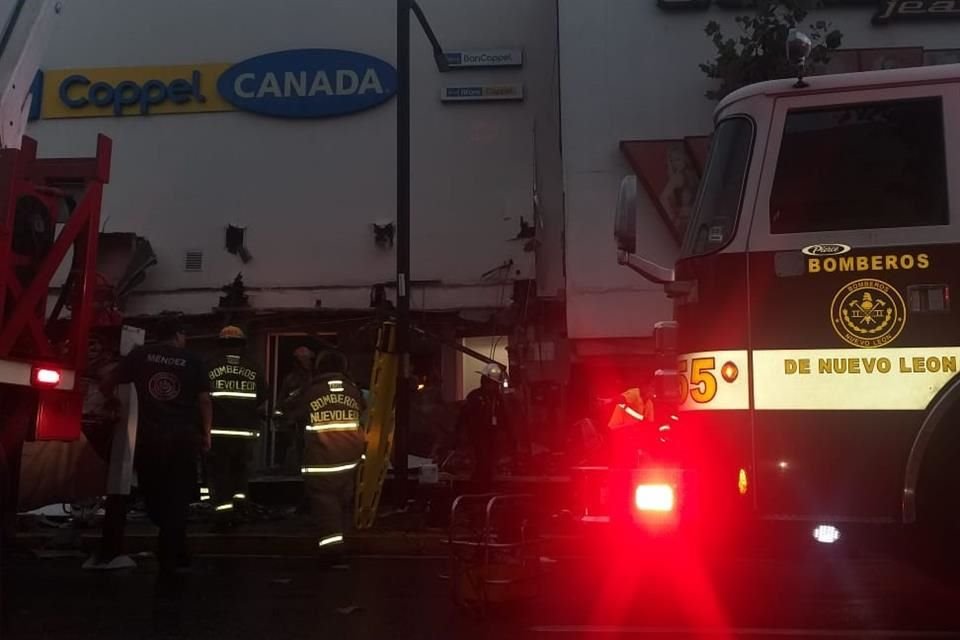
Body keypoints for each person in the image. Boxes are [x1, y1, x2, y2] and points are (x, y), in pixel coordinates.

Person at [100, 316, 211, 593]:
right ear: (178, 335)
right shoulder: (193, 360)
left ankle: (172, 549)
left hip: (148, 438)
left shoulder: (140, 355)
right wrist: (207, 432)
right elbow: (204, 399)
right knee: (178, 496)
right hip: (184, 438)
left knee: (153, 492)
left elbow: (109, 382)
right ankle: (172, 555)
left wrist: (113, 402)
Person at [294, 350, 366, 566]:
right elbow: (363, 412)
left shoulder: (311, 391)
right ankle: (345, 543)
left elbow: (287, 411)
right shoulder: (354, 391)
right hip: (351, 458)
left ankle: (332, 552)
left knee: (326, 505)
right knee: (344, 503)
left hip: (322, 460)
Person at [206, 325, 267, 529]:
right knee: (240, 472)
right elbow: (263, 393)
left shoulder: (209, 365)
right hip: (245, 431)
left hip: (218, 431)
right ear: (243, 344)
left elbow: (200, 396)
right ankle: (241, 508)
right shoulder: (253, 367)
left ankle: (224, 515)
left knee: (220, 474)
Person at [455, 363, 513, 490]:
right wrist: (462, 435)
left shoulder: (497, 399)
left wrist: (507, 435)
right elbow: (464, 417)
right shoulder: (475, 397)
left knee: (489, 462)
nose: (495, 386)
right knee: (481, 462)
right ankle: (478, 487)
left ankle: (486, 486)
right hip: (477, 436)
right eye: (493, 383)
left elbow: (504, 418)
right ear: (485, 382)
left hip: (492, 435)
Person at [275, 343, 317, 470]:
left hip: (309, 419)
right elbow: (282, 400)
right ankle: (287, 467)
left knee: (307, 445)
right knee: (292, 444)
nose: (307, 363)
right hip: (294, 420)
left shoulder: (315, 378)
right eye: (304, 360)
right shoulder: (291, 379)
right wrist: (280, 417)